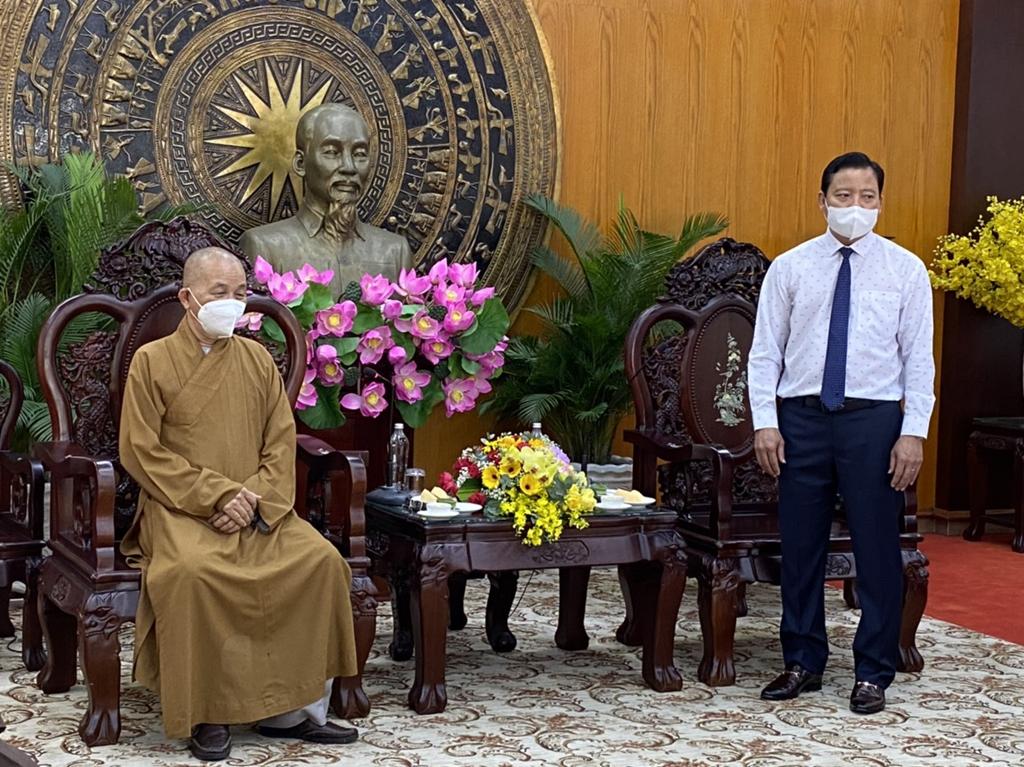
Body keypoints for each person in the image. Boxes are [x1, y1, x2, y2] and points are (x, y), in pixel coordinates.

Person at [119, 247, 360, 760]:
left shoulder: (257, 360)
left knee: (320, 562)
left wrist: (254, 500)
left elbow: (281, 442)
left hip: (259, 506)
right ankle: (207, 712)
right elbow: (140, 449)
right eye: (218, 293)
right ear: (188, 298)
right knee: (190, 573)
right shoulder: (152, 361)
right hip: (180, 507)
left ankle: (292, 712)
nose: (231, 302)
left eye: (239, 292)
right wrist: (216, 495)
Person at [747, 152, 935, 715]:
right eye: (844, 196)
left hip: (873, 422)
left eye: (867, 197)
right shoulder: (791, 267)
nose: (856, 206)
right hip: (801, 419)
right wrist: (765, 422)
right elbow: (765, 353)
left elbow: (918, 360)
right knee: (800, 546)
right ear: (822, 200)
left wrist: (913, 432)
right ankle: (802, 660)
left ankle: (873, 670)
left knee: (877, 548)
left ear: (881, 202)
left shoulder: (905, 270)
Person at [240, 103, 413, 294]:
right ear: (300, 163)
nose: (349, 167)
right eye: (332, 152)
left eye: (360, 154)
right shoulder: (264, 246)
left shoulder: (395, 251)